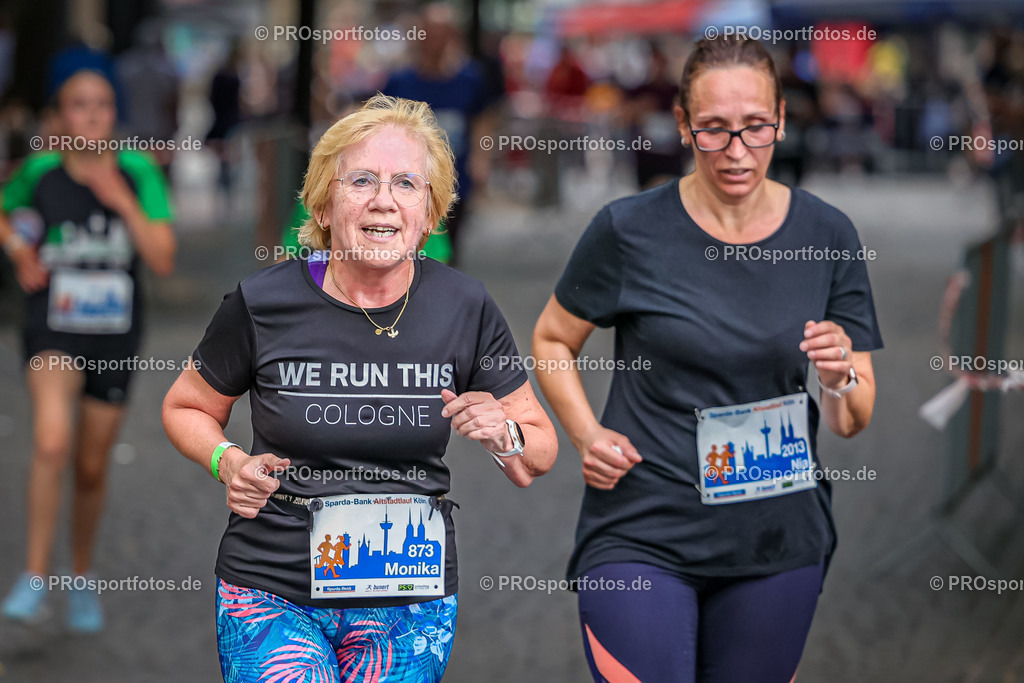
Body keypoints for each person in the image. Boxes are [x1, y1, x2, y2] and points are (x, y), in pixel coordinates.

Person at [162, 93, 556, 683]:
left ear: (430, 211)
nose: (383, 201)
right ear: (323, 204)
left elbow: (540, 453)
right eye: (362, 181)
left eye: (406, 184)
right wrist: (227, 461)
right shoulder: (263, 303)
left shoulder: (463, 307)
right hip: (274, 582)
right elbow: (185, 406)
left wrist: (504, 433)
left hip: (408, 593)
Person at [533, 35, 882, 683]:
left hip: (774, 536)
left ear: (781, 116)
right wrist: (586, 433)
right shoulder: (627, 230)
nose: (736, 151)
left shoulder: (827, 236)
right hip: (641, 526)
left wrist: (839, 377)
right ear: (682, 124)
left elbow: (852, 416)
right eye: (714, 129)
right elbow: (553, 339)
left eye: (754, 127)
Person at [0, 68, 176, 632]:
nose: (93, 115)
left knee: (92, 467)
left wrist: (122, 201)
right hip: (51, 326)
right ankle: (33, 579)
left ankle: (80, 577)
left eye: (102, 105)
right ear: (60, 118)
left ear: (113, 115)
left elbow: (163, 258)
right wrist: (18, 251)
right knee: (52, 441)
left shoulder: (138, 171)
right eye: (79, 105)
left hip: (115, 336)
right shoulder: (40, 172)